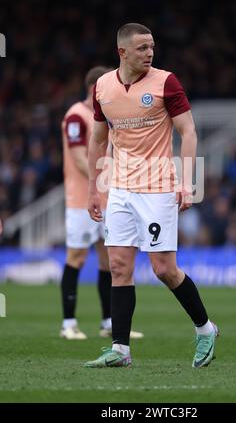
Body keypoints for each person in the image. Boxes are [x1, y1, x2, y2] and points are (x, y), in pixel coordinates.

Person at [84, 23, 218, 368]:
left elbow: (188, 131)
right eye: (142, 48)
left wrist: (187, 182)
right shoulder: (103, 87)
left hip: (158, 187)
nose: (149, 53)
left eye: (152, 47)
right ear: (122, 52)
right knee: (117, 266)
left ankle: (205, 329)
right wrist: (93, 190)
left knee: (164, 269)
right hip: (119, 188)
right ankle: (120, 350)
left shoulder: (166, 82)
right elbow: (98, 140)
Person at [60, 65, 144, 340]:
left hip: (107, 198)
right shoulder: (76, 115)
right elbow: (78, 158)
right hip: (80, 199)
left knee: (108, 261)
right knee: (77, 257)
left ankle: (108, 322)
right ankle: (68, 323)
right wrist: (104, 177)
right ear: (94, 88)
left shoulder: (106, 114)